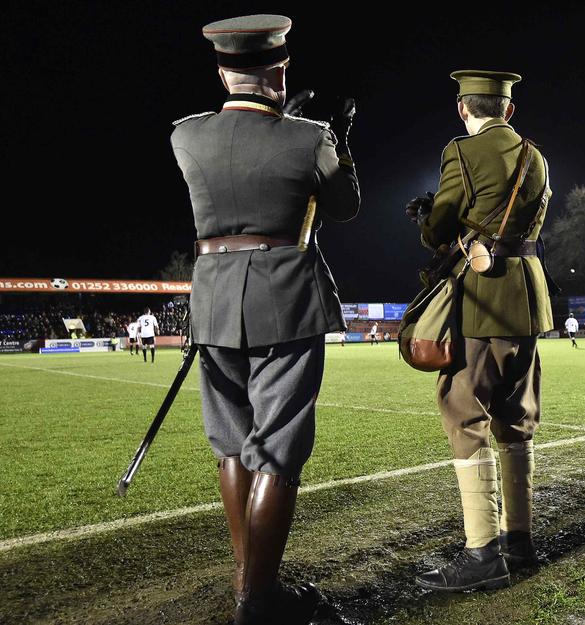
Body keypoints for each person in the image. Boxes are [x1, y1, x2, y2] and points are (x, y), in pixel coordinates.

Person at [170, 14, 359, 625]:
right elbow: (345, 206)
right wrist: (329, 141)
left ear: (223, 69)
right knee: (277, 452)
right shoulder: (311, 136)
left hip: (213, 301)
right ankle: (258, 600)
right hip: (284, 298)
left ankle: (246, 580)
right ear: (279, 68)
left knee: (231, 445)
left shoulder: (186, 137)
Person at [404, 69, 555, 592]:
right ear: (508, 110)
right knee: (516, 417)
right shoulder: (536, 156)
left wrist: (428, 217)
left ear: (463, 108)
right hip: (528, 299)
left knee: (464, 411)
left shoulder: (461, 152)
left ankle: (483, 554)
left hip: (482, 302)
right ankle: (520, 542)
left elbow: (440, 228)